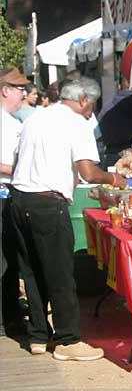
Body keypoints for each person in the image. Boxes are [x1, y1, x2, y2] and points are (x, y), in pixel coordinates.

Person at [9, 76, 127, 360]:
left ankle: (38, 335)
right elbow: (87, 171)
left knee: (32, 271)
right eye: (93, 105)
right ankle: (68, 339)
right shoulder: (77, 123)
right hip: (48, 203)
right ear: (84, 100)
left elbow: (18, 161)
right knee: (60, 273)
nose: (92, 111)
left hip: (19, 199)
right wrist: (114, 178)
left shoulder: (36, 118)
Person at [0, 67, 30, 336]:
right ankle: (5, 318)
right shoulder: (4, 123)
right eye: (20, 89)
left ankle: (9, 312)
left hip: (8, 195)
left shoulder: (11, 121)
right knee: (4, 260)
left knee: (9, 259)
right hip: (2, 196)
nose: (25, 93)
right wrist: (22, 169)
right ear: (5, 90)